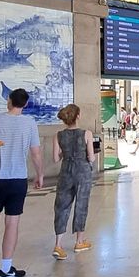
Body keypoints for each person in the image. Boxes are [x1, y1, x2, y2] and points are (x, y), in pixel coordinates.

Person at [0, 88, 44, 277]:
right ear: (24, 104)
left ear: (9, 101)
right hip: (18, 178)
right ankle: (6, 268)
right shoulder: (30, 123)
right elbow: (36, 153)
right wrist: (40, 174)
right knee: (12, 222)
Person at [52, 103, 94, 260]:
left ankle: (58, 245)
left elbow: (56, 158)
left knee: (61, 206)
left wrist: (66, 153)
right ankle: (79, 241)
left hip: (65, 172)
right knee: (81, 205)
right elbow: (91, 157)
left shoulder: (58, 135)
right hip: (82, 172)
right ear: (78, 116)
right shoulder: (87, 133)